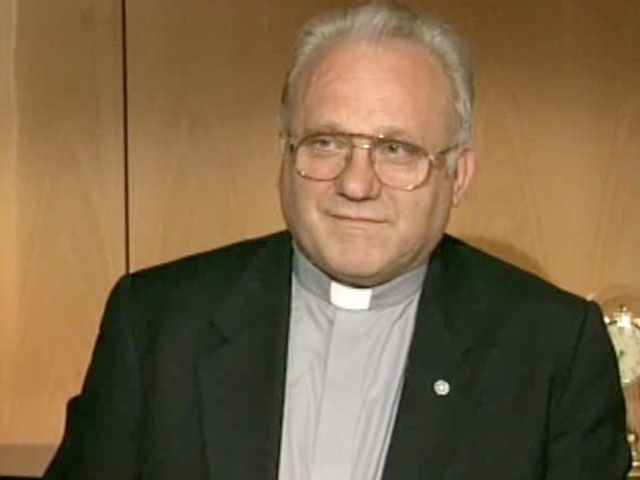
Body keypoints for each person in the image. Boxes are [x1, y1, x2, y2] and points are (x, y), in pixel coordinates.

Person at [45, 4, 630, 479]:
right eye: (326, 142)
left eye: (397, 150)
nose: (355, 184)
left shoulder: (553, 350)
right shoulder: (155, 324)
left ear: (459, 176)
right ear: (285, 155)